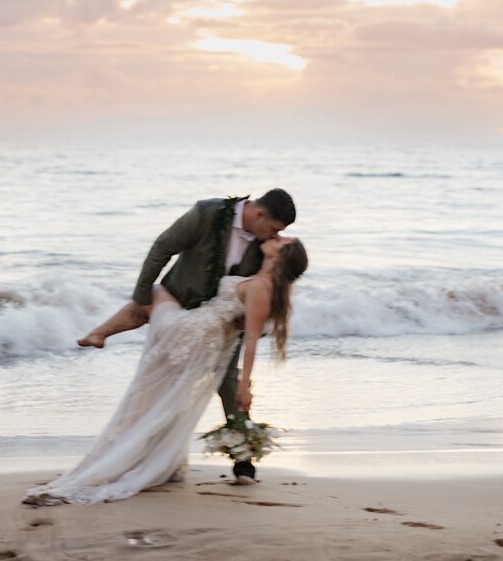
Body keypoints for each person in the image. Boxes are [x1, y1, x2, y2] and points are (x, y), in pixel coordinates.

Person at [24, 233, 308, 505]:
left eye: (283, 241)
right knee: (160, 398)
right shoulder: (261, 282)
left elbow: (250, 340)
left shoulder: (260, 286)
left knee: (156, 290)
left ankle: (100, 334)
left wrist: (245, 386)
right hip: (199, 335)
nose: (276, 237)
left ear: (283, 256)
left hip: (191, 333)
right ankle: (148, 454)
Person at [78, 189, 296, 484]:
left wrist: (249, 317)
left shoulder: (265, 246)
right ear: (259, 214)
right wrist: (141, 295)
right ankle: (142, 450)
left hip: (223, 323)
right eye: (274, 228)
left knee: (230, 382)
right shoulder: (207, 213)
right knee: (160, 376)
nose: (274, 235)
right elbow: (162, 247)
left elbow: (266, 289)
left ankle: (243, 458)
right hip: (184, 304)